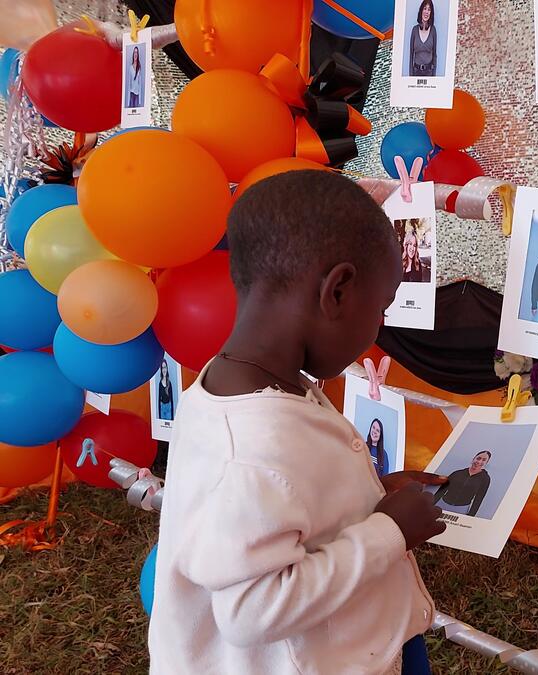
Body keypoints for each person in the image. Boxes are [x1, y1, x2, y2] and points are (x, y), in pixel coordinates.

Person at [149, 170, 449, 675]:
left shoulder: (250, 383)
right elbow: (253, 611)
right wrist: (389, 531)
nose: (379, 327)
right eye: (380, 310)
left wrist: (373, 499)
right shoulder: (249, 444)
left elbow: (287, 509)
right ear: (337, 292)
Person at [432, 451, 492, 517]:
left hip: (461, 509)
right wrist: (431, 505)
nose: (479, 462)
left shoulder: (485, 479)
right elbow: (441, 491)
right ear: (473, 459)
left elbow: (478, 499)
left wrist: (471, 516)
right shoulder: (457, 473)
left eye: (484, 460)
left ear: (486, 463)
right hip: (442, 504)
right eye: (478, 458)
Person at [409, 0, 437, 77]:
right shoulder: (414, 30)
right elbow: (411, 54)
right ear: (421, 10)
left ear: (431, 13)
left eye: (429, 9)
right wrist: (410, 76)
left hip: (429, 73)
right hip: (416, 72)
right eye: (425, 8)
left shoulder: (433, 30)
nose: (426, 12)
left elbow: (434, 54)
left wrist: (433, 76)